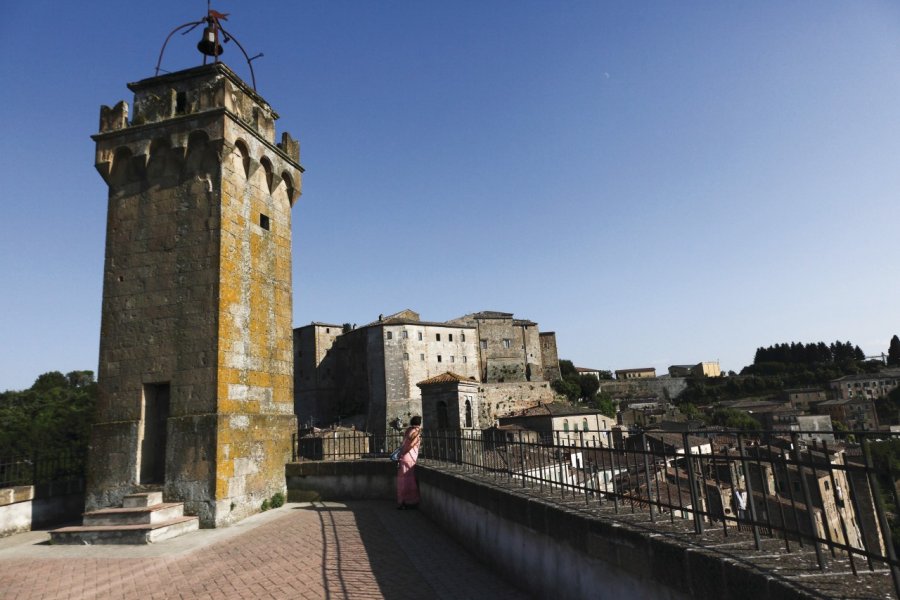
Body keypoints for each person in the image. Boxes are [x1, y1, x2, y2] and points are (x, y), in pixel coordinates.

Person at [396, 416, 422, 509]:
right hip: (410, 458)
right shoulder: (416, 432)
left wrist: (402, 453)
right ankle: (409, 502)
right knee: (409, 481)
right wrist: (406, 451)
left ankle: (401, 502)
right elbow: (411, 444)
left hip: (403, 458)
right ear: (419, 423)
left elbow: (404, 443)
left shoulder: (408, 431)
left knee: (402, 481)